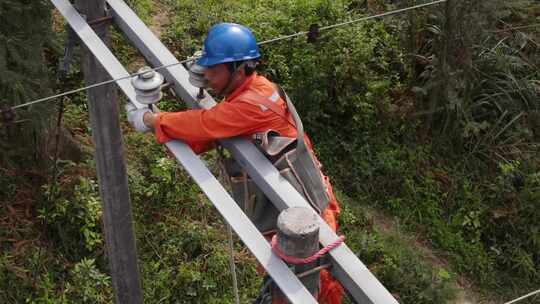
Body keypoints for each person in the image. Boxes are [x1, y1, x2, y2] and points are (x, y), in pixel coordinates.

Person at [126, 22, 343, 304]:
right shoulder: (254, 90)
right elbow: (213, 129)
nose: (208, 76)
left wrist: (152, 120)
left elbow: (207, 123)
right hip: (297, 199)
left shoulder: (253, 104)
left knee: (312, 286)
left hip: (306, 213)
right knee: (288, 281)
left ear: (239, 68)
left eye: (214, 71)